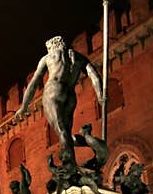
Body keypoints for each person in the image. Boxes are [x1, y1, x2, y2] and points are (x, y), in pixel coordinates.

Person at [15, 36, 103, 165]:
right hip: (70, 95)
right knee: (66, 132)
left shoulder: (48, 58)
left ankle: (70, 166)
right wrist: (100, 95)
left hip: (53, 92)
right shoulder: (78, 57)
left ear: (51, 47)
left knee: (61, 130)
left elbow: (34, 83)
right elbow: (94, 76)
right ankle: (89, 142)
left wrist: (24, 106)